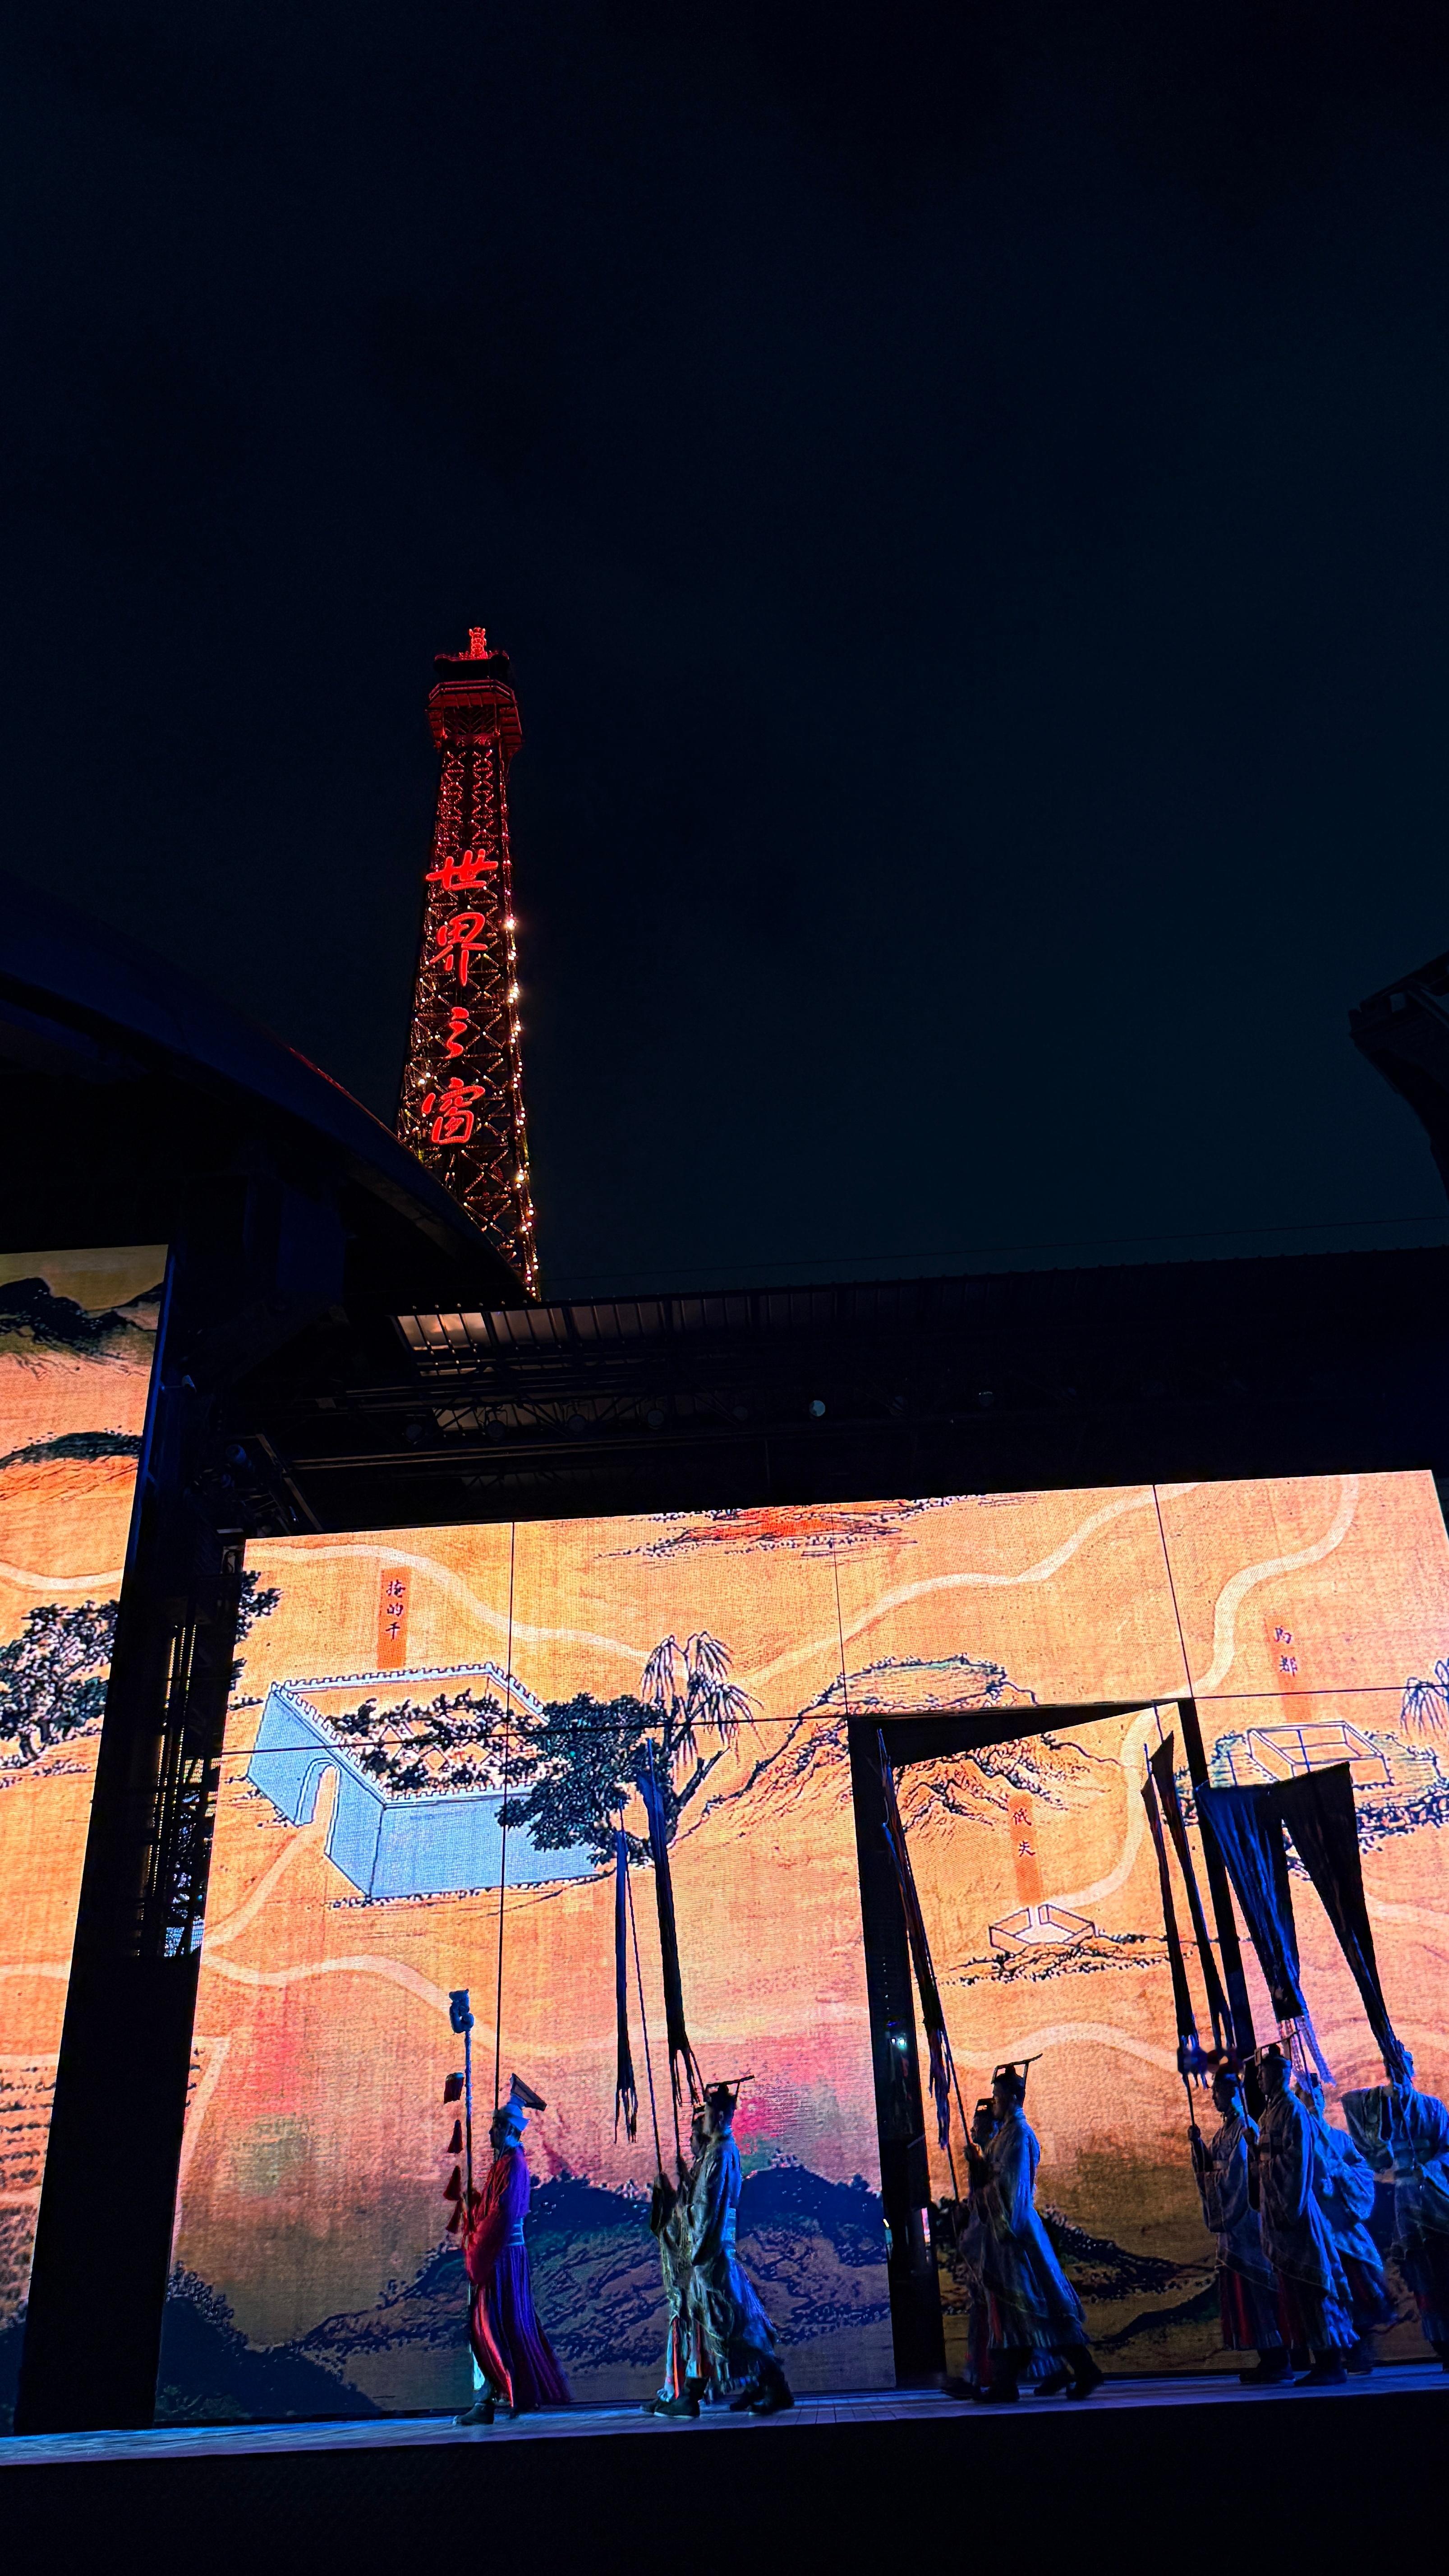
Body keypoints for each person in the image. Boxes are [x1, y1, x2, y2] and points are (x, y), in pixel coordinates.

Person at [969, 2061, 1101, 2402]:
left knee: (1037, 2304)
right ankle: (1009, 2381)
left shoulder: (1019, 2136)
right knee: (1023, 2307)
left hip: (1016, 2233)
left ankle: (1078, 2369)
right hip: (1008, 2234)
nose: (994, 2103)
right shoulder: (1005, 2135)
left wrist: (988, 2194)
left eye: (998, 2097)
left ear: (1013, 2098)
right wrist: (978, 2168)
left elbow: (1012, 2191)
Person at [456, 2080, 570, 2425]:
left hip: (502, 2255)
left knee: (491, 2325)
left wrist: (478, 2244)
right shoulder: (505, 2163)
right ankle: (498, 2397)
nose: (490, 2133)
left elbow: (503, 2214)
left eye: (495, 2127)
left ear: (509, 2129)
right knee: (500, 2324)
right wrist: (474, 2208)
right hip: (503, 2253)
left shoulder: (512, 2164)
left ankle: (490, 2400)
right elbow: (493, 2208)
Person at [681, 2080, 793, 2416]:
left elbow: (709, 2206)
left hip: (713, 2248)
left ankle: (775, 2386)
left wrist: (698, 2247)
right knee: (727, 2319)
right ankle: (755, 2385)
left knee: (734, 2321)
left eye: (709, 2114)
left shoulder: (720, 2153)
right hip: (716, 2246)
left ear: (721, 2117)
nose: (706, 2121)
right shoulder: (721, 2150)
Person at [1253, 2044, 1355, 2385]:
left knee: (1313, 2284)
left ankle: (1331, 2361)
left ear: (1279, 2075)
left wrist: (1283, 2198)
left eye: (1263, 2072)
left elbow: (1297, 2163)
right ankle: (1318, 2357)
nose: (1259, 2078)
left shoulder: (1293, 2112)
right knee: (1297, 2290)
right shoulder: (1270, 2114)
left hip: (1294, 2209)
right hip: (1278, 2208)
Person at [1343, 2046, 1449, 2370]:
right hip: (1405, 2197)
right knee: (1421, 2273)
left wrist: (1430, 2168)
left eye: (1402, 2066)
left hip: (1436, 2195)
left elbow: (1446, 2148)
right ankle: (1441, 2342)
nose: (1398, 2072)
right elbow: (1355, 2107)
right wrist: (1385, 2100)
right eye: (1392, 2067)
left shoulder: (1432, 2106)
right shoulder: (1383, 2105)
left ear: (1412, 2070)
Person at [1190, 2066, 1288, 2385]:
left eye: (1218, 2092)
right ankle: (1265, 2355)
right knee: (1245, 2289)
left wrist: (1214, 2181)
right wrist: (1198, 2148)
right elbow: (1213, 2168)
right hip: (1234, 2224)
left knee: (1258, 2287)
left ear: (1233, 2092)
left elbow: (1239, 2176)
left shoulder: (1245, 2128)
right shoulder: (1224, 2131)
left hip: (1245, 2218)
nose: (1214, 2098)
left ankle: (1277, 2357)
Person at [1295, 2068, 1390, 2373]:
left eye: (1317, 2093)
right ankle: (1333, 2355)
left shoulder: (1338, 2138)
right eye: (1306, 2094)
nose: (1314, 2099)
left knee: (1359, 2290)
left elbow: (1360, 2170)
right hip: (1315, 2224)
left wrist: (1340, 2173)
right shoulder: (1297, 2140)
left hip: (1342, 2223)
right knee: (1328, 2292)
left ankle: (1361, 2352)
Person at [643, 2102, 709, 2418]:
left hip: (697, 2261)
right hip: (688, 2264)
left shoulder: (712, 2166)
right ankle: (675, 2390)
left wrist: (677, 2196)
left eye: (694, 2135)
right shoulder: (700, 2168)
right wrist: (669, 2194)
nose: (690, 2141)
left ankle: (688, 2394)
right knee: (683, 2323)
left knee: (699, 2326)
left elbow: (695, 2214)